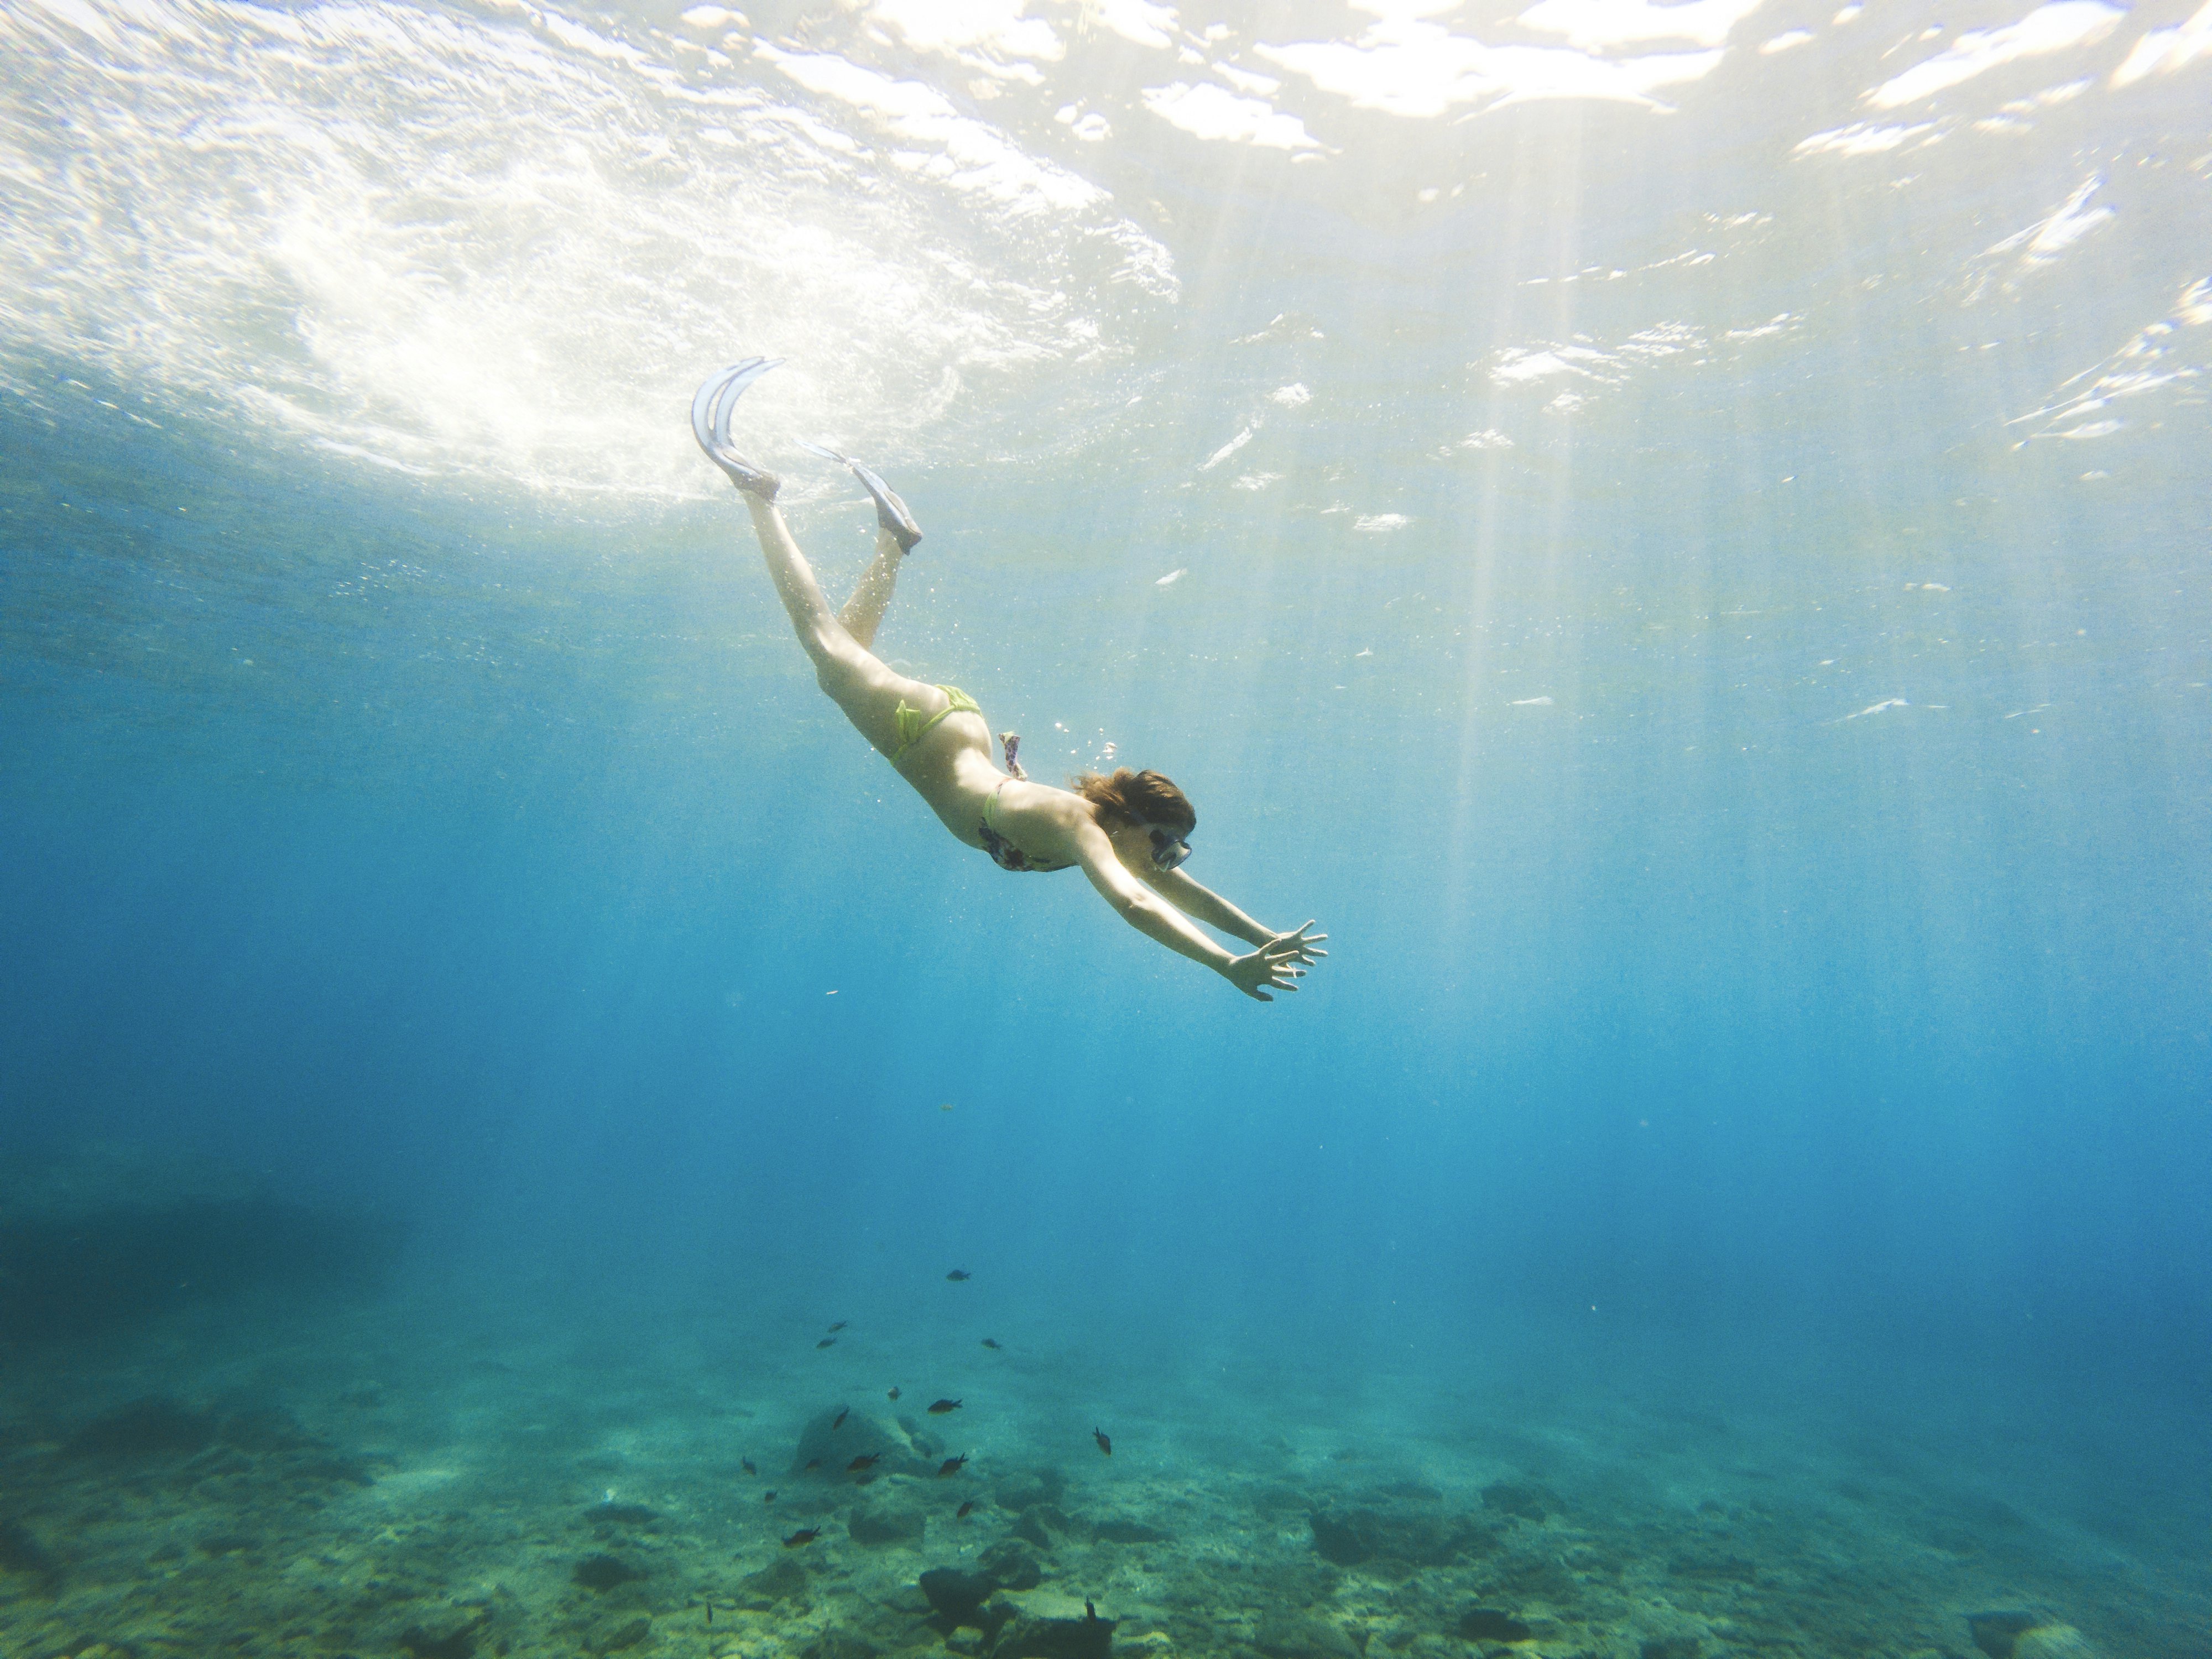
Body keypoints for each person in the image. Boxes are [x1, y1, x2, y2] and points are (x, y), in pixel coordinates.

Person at [691, 358, 1326, 1001]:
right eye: (1164, 844)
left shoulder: (1106, 837)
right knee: (826, 646)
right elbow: (1136, 904)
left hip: (950, 728)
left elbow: (1166, 886)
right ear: (1128, 820)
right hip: (924, 734)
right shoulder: (1076, 823)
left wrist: (1262, 937)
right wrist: (1224, 966)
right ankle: (757, 492)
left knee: (842, 663)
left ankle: (891, 542)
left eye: (1174, 851)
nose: (1167, 860)